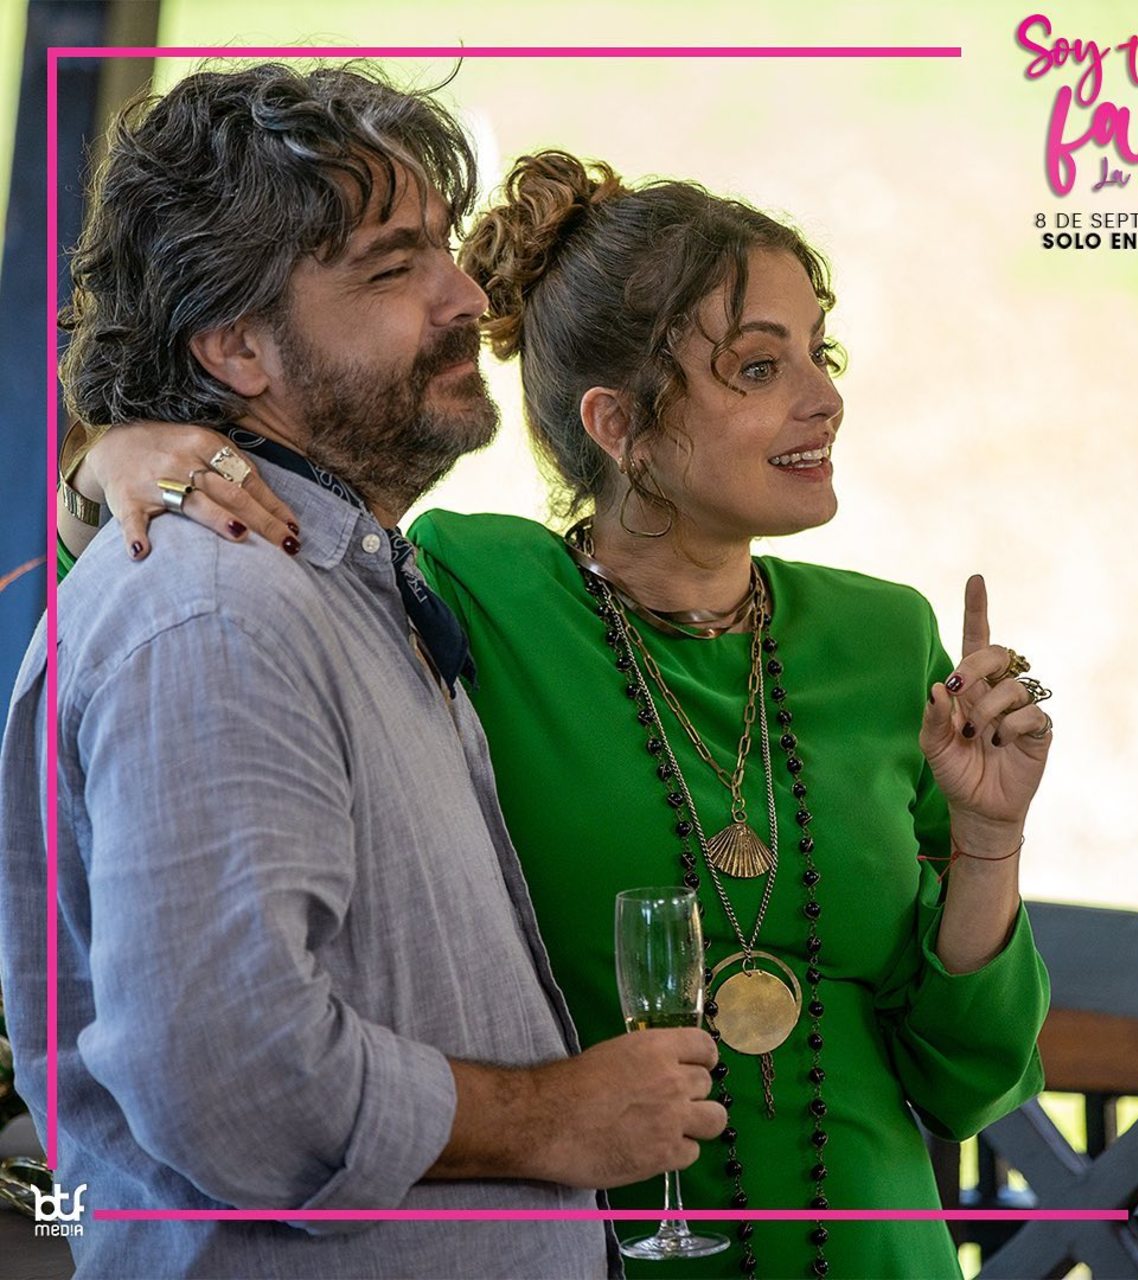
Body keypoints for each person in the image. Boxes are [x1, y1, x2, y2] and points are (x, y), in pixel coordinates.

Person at [61, 149, 1055, 1278]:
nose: (823, 398)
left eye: (818, 353)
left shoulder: (887, 638)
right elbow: (203, 576)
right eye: (758, 366)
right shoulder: (471, 589)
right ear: (618, 424)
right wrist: (105, 463)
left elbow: (969, 1079)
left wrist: (990, 840)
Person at [0, 68, 741, 1280]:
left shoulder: (323, 580)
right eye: (393, 269)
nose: (466, 296)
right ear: (236, 345)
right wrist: (553, 1116)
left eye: (445, 246)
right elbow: (237, 1080)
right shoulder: (217, 617)